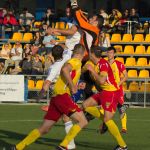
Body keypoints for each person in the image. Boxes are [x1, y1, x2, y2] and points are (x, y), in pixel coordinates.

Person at [12, 44, 88, 150]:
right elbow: (65, 70)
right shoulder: (75, 61)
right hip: (62, 96)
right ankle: (64, 145)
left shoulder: (67, 57)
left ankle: (19, 147)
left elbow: (65, 54)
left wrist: (74, 84)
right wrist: (72, 86)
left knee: (44, 129)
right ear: (83, 53)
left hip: (56, 97)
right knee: (83, 121)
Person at [82, 46, 128, 150]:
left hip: (112, 92)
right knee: (85, 105)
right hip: (104, 92)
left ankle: (123, 146)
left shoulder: (104, 64)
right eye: (108, 52)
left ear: (92, 54)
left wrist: (92, 71)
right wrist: (85, 68)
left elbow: (102, 81)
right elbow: (84, 69)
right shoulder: (96, 63)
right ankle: (105, 121)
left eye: (89, 53)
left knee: (118, 112)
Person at [106, 47, 128, 133]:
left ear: (114, 54)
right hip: (108, 90)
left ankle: (124, 127)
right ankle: (106, 125)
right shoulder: (104, 64)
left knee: (121, 108)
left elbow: (126, 76)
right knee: (107, 108)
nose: (109, 54)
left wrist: (118, 84)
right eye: (108, 52)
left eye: (111, 53)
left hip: (118, 90)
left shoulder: (119, 64)